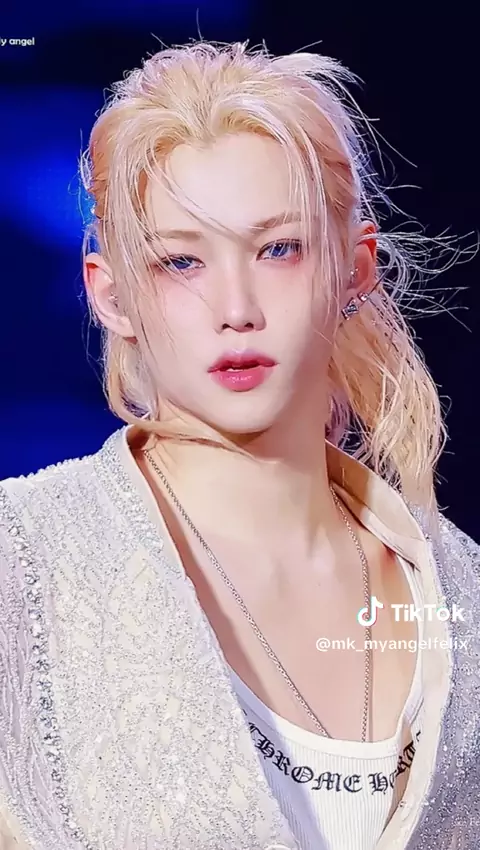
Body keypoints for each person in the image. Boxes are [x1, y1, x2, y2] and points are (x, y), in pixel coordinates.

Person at [0, 40, 478, 850]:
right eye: (180, 261)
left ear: (355, 268)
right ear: (110, 296)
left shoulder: (458, 594)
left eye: (278, 249)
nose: (236, 307)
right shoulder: (23, 564)